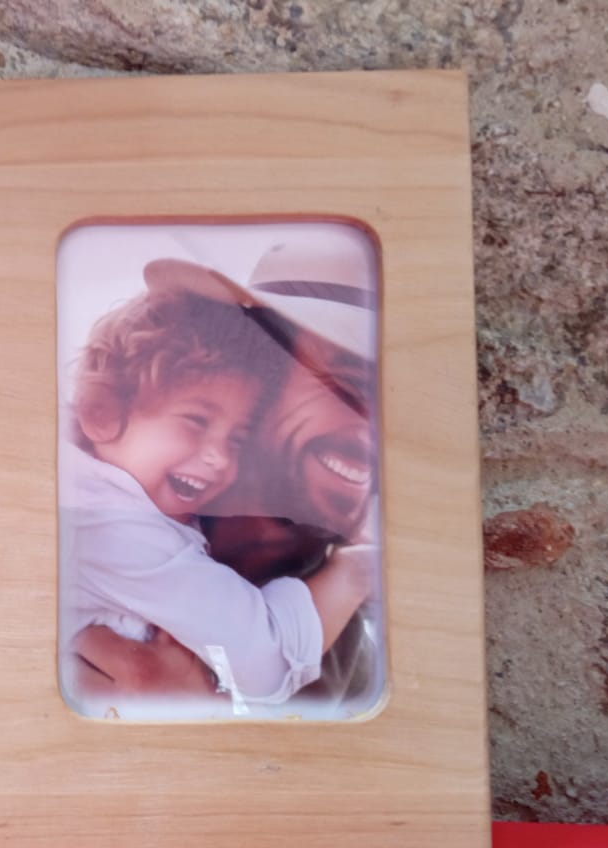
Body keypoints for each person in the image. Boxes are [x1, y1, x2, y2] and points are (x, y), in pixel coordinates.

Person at [71, 228, 384, 710]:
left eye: (390, 399)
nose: (374, 430)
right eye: (347, 384)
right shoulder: (102, 523)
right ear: (261, 373)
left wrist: (201, 709)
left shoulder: (353, 655)